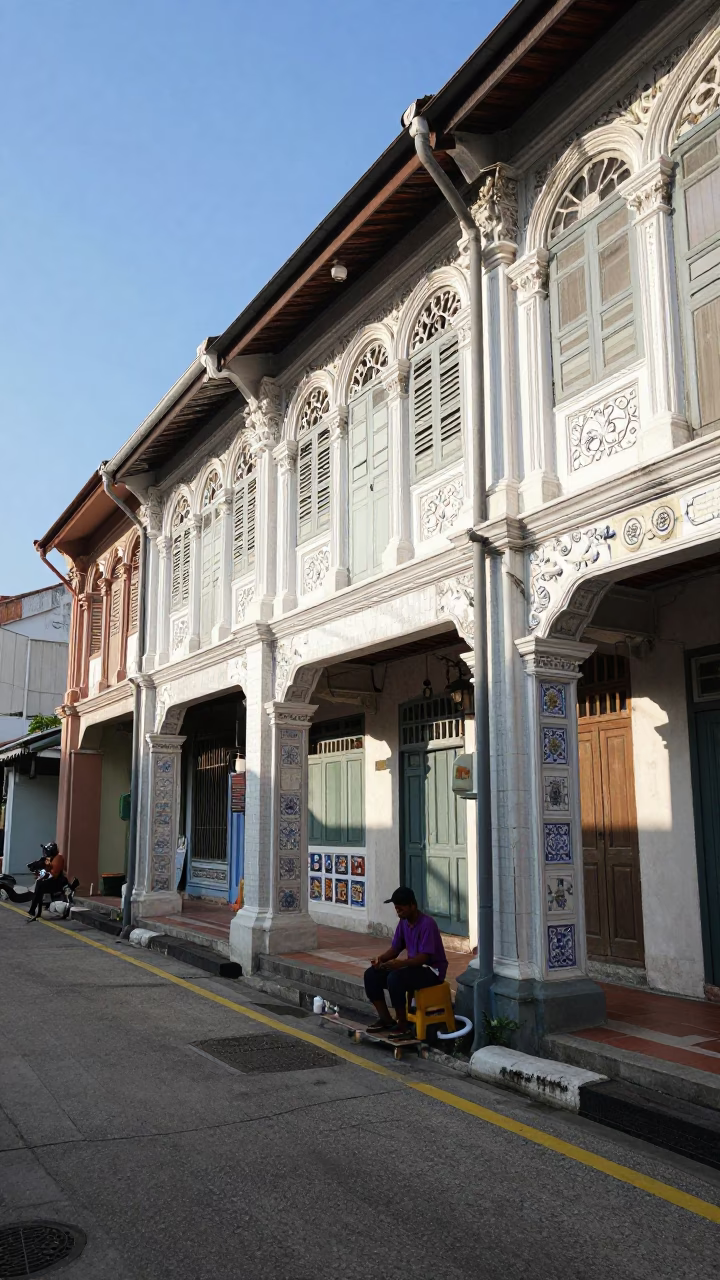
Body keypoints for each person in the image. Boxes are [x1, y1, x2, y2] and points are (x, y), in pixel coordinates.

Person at [363, 887, 447, 1042]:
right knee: (371, 975)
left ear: (412, 906)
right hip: (413, 967)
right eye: (396, 908)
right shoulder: (403, 923)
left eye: (401, 907)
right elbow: (395, 949)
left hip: (431, 971)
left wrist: (400, 965)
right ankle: (386, 1020)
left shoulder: (427, 924)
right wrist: (381, 959)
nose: (398, 911)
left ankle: (404, 1024)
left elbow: (423, 958)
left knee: (396, 978)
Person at [27, 842, 66, 921]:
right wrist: (38, 871)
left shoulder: (58, 858)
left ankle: (33, 910)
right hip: (51, 880)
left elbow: (53, 874)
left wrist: (46, 867)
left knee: (39, 886)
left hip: (57, 882)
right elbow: (45, 873)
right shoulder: (50, 858)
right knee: (39, 884)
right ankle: (33, 910)